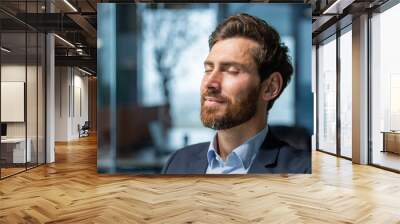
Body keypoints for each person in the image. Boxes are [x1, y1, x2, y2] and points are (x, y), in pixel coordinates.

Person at [163, 13, 311, 174]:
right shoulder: (178, 162)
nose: (210, 83)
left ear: (270, 87)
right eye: (208, 70)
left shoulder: (303, 171)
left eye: (232, 71)